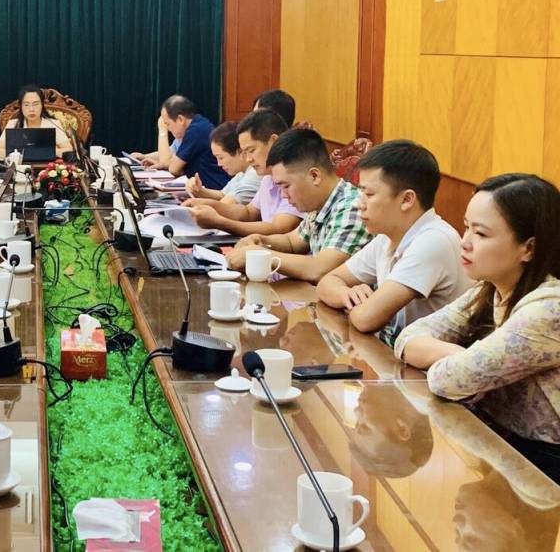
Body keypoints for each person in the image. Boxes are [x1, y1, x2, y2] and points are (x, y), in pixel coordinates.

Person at [394, 173, 560, 483]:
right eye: (466, 226)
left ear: (529, 248)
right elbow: (407, 338)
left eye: (481, 233)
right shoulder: (491, 288)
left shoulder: (549, 309)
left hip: (545, 467)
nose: (465, 241)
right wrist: (463, 355)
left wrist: (465, 365)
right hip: (502, 446)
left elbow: (448, 380)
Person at [317, 140, 471, 344]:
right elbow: (327, 282)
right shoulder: (387, 237)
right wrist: (347, 295)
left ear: (406, 200)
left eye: (368, 194)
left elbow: (365, 319)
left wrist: (359, 306)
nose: (359, 204)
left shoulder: (434, 240)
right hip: (397, 354)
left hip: (433, 361)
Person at [223, 128, 369, 283]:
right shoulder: (320, 203)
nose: (284, 195)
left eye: (286, 186)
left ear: (314, 176)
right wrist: (260, 240)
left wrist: (260, 255)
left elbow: (320, 269)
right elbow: (292, 242)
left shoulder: (352, 207)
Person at [186, 108, 304, 236]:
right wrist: (208, 204)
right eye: (245, 152)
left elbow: (279, 229)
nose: (248, 159)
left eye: (251, 150)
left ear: (273, 142)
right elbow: (249, 212)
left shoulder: (296, 175)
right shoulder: (267, 176)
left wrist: (219, 222)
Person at [184, 121, 261, 205]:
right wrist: (198, 190)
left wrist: (194, 205)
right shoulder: (242, 173)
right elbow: (223, 194)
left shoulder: (255, 175)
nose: (219, 164)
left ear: (240, 152)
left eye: (221, 158)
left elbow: (225, 205)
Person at [0, 84, 73, 158]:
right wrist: (19, 153)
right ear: (21, 106)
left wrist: (52, 151)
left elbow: (69, 150)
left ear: (42, 105)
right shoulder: (13, 124)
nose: (31, 109)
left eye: (36, 104)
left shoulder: (53, 124)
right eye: (26, 105)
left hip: (46, 166)